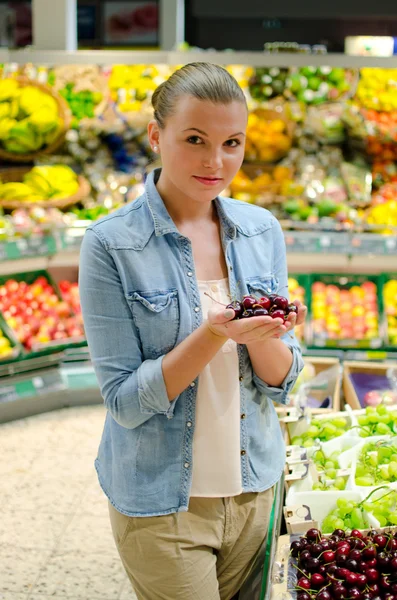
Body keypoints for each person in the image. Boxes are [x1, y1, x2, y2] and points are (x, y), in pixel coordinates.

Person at [79, 62, 306, 600]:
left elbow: (283, 381)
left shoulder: (260, 230)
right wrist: (215, 334)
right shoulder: (111, 245)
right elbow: (126, 403)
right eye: (196, 139)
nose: (216, 161)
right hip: (163, 506)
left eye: (232, 142)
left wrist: (269, 335)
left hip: (255, 491)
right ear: (157, 135)